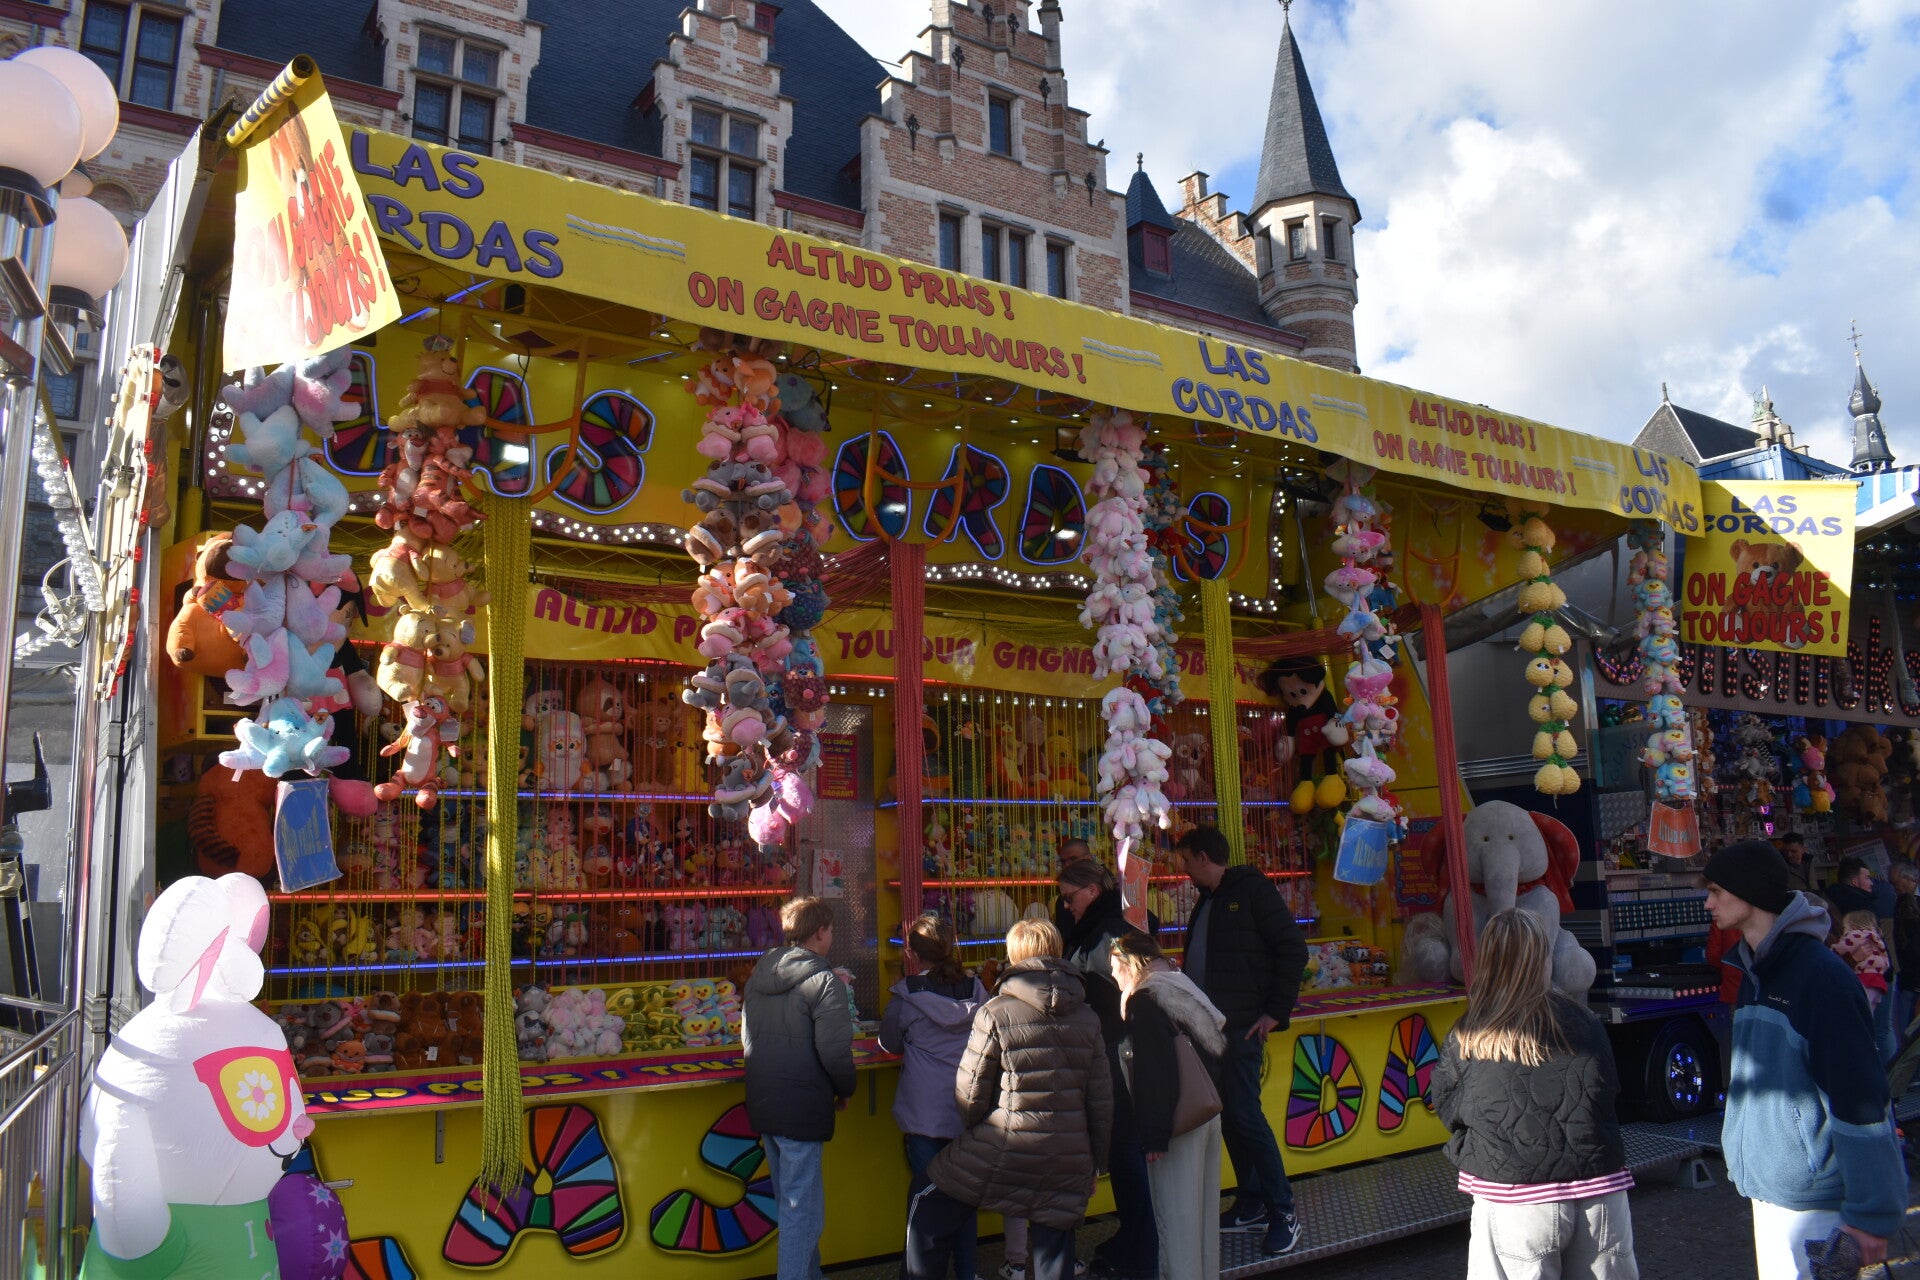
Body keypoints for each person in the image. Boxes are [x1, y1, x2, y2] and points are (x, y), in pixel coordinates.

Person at [1704, 840, 1905, 1280]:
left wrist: (1872, 1211)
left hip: (1816, 1204)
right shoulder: (1755, 971)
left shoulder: (1820, 977)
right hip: (1773, 1192)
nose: (1708, 903)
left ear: (1749, 891)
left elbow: (1860, 1098)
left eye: (1716, 891)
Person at [1431, 909, 1639, 1280]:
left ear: (1487, 960)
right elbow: (1609, 1090)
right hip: (1599, 1190)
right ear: (1543, 958)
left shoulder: (1471, 1034)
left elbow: (1448, 1106)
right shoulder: (1584, 1021)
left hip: (1516, 1198)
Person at [906, 920, 1113, 1280]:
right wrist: (1095, 1163)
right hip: (1070, 1154)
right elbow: (1101, 1100)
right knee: (1055, 1248)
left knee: (927, 1201)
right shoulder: (1087, 1017)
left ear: (1014, 954)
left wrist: (978, 1133)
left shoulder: (996, 1011)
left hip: (1006, 1143)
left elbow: (970, 1093)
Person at [1175, 824, 1308, 1258]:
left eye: (1187, 860)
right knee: (1231, 1117)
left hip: (1241, 1028)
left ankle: (1283, 1211)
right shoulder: (1208, 900)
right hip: (1211, 1030)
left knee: (1247, 1116)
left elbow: (1293, 949)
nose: (1184, 869)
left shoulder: (1251, 891)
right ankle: (1251, 1202)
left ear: (1204, 858)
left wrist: (1275, 1012)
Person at [743, 897, 856, 1280]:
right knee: (801, 1213)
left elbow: (747, 1039)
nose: (832, 936)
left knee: (793, 1207)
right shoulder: (824, 981)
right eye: (831, 930)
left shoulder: (758, 976)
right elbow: (835, 1050)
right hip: (802, 1106)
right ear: (820, 931)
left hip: (765, 1101)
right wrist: (845, 1088)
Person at [1057, 859, 1159, 1279]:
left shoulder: (1112, 932)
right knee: (1120, 1150)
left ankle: (1144, 1247)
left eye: (1070, 897)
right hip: (1108, 1051)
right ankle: (1134, 1235)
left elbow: (1139, 988)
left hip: (1123, 1052)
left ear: (1093, 892)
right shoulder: (1092, 929)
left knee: (1127, 1149)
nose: (1066, 906)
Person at [1108, 929, 1226, 1280]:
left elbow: (1154, 1072)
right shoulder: (1181, 985)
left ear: (1130, 964)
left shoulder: (1144, 1001)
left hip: (1176, 1125)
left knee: (1177, 1229)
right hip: (1205, 1114)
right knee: (1203, 1225)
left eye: (1114, 967)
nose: (1113, 976)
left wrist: (1155, 1136)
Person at [881, 914, 989, 1280]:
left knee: (926, 1201)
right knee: (963, 1199)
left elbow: (889, 1042)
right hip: (967, 1106)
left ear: (913, 953)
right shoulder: (976, 989)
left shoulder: (907, 994)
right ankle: (967, 1272)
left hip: (924, 1113)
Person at [1824, 856, 1901, 1061]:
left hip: (1848, 974)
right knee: (1883, 1029)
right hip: (1876, 975)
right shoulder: (1863, 904)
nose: (1871, 883)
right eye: (1867, 877)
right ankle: (1890, 1075)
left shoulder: (1829, 901)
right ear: (1854, 881)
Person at [1831, 910, 1891, 1012]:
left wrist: (1832, 949)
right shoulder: (1875, 937)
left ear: (1852, 926)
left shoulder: (1855, 935)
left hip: (1864, 978)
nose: (1844, 931)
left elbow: (1843, 948)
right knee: (1869, 1012)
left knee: (1859, 1010)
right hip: (1877, 980)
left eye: (1844, 927)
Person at [1890, 860, 1920, 1038]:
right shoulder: (1900, 902)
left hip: (1913, 979)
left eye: (1895, 882)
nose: (1894, 887)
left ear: (1909, 878)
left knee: (1906, 1032)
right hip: (1909, 978)